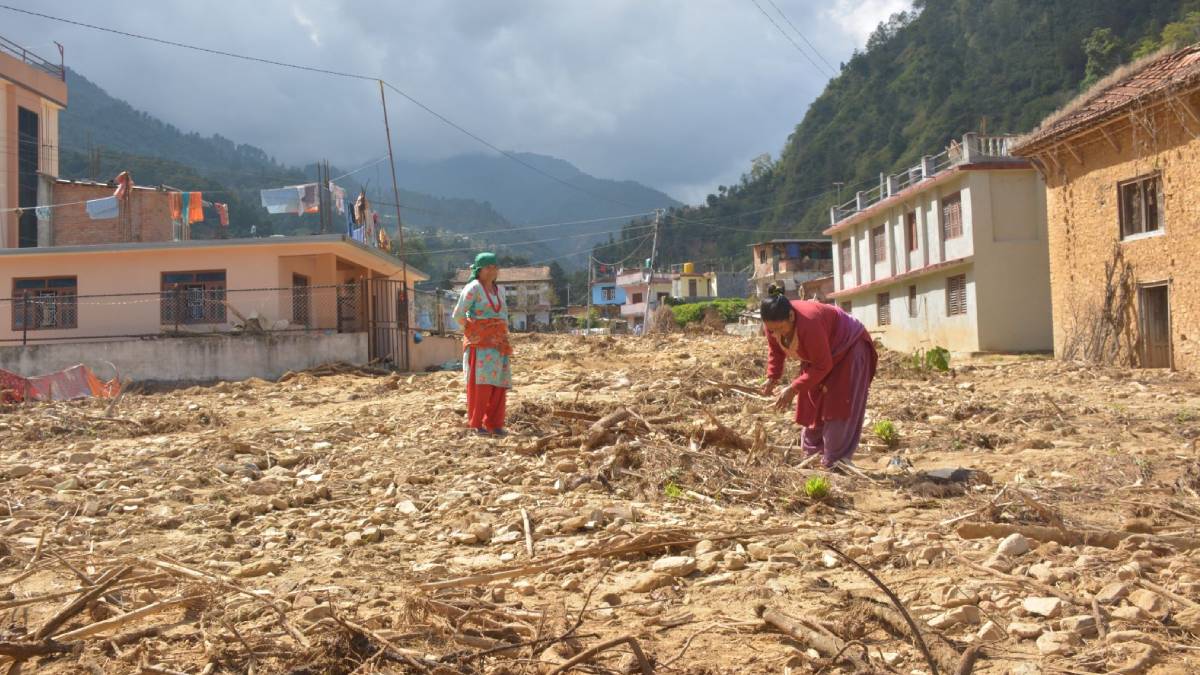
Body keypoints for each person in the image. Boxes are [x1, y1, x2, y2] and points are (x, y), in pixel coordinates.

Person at [759, 284, 877, 468]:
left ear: (791, 316)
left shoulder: (810, 322)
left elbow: (823, 365)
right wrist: (772, 377)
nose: (776, 333)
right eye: (772, 330)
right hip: (821, 354)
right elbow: (776, 350)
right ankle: (812, 458)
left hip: (849, 349)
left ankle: (836, 462)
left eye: (781, 328)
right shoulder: (772, 324)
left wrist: (793, 388)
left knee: (838, 405)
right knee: (812, 403)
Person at [452, 252, 512, 436]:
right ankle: (476, 423)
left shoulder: (499, 290)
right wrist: (474, 330)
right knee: (481, 384)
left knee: (499, 383)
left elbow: (504, 315)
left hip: (498, 343)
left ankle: (495, 423)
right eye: (488, 266)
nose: (493, 270)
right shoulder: (473, 288)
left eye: (495, 266)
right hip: (480, 344)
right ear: (479, 270)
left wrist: (504, 335)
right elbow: (458, 314)